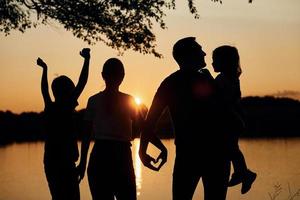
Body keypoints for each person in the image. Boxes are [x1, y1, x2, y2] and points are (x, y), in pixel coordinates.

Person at [139, 37, 231, 200]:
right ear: (188, 56)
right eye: (199, 50)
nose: (204, 53)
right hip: (213, 156)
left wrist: (143, 150)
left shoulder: (169, 83)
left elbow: (149, 122)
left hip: (190, 156)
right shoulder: (206, 80)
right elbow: (225, 115)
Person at [77, 58, 166, 200]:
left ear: (102, 75)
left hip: (99, 157)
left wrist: (82, 163)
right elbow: (144, 127)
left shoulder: (93, 101)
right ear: (122, 76)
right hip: (121, 157)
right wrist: (161, 147)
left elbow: (86, 136)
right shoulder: (128, 101)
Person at [36, 48, 90, 200]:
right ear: (67, 93)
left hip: (51, 163)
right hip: (65, 164)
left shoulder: (50, 107)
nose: (76, 97)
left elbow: (44, 90)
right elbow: (83, 82)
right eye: (72, 91)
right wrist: (87, 60)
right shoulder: (65, 107)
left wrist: (45, 70)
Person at [212, 45, 257, 194]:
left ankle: (244, 173)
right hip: (233, 119)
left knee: (231, 148)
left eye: (215, 60)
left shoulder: (223, 79)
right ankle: (241, 173)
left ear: (224, 62)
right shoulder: (230, 78)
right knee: (232, 148)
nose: (212, 63)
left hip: (229, 120)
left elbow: (223, 101)